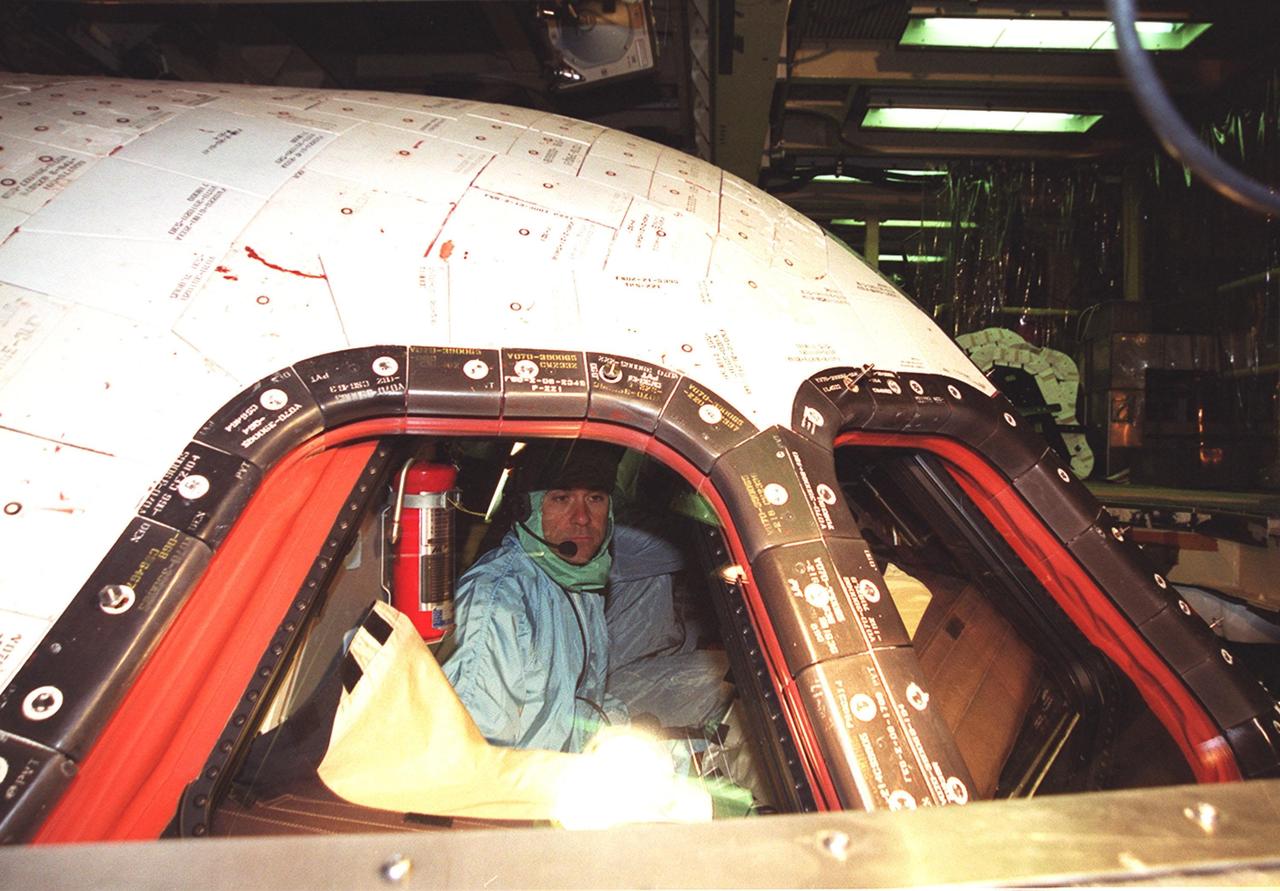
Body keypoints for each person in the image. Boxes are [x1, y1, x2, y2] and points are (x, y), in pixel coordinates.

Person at [443, 441, 628, 753]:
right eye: (562, 498)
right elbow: (476, 757)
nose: (582, 517)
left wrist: (625, 728)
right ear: (527, 508)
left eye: (595, 498)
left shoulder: (581, 582)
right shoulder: (497, 604)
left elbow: (578, 699)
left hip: (560, 777)